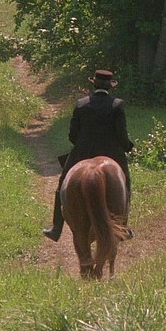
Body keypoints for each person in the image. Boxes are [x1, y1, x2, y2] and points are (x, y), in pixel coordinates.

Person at [42, 69, 135, 242]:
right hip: (111, 153)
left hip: (82, 153)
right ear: (110, 86)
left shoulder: (81, 104)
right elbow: (121, 133)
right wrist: (128, 147)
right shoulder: (117, 105)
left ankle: (56, 228)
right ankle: (123, 227)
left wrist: (82, 145)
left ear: (94, 84)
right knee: (126, 183)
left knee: (63, 182)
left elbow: (72, 134)